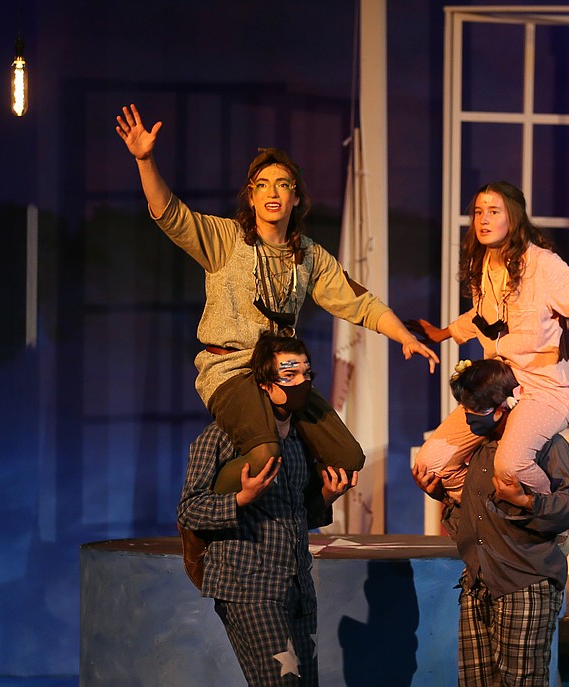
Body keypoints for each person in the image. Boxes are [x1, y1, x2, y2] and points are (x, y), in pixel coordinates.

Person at [115, 104, 438, 492]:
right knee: (265, 453)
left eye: (283, 184)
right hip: (232, 370)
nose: (273, 192)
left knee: (348, 460)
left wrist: (403, 336)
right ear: (251, 197)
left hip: (284, 373)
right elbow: (172, 215)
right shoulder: (226, 239)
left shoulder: (309, 255)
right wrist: (146, 161)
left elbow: (360, 303)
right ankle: (205, 498)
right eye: (263, 185)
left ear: (296, 198)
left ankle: (302, 516)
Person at [411, 181, 569, 500]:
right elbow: (482, 317)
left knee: (511, 465)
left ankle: (546, 519)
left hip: (544, 392)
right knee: (429, 466)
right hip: (499, 390)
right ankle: (490, 515)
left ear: (512, 218)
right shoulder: (482, 265)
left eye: (493, 212)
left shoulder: (542, 264)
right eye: (478, 212)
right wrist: (440, 334)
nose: (483, 220)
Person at [177, 333, 358, 686]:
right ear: (263, 384)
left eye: (306, 374)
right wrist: (240, 498)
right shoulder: (222, 437)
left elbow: (296, 515)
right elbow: (189, 510)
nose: (301, 382)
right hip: (249, 586)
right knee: (281, 683)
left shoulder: (299, 441)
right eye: (289, 376)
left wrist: (327, 496)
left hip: (296, 585)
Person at [412, 358, 569, 686]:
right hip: (479, 583)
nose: (468, 417)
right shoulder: (479, 450)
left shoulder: (545, 446)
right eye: (464, 408)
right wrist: (442, 497)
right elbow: (478, 518)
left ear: (504, 406)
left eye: (475, 409)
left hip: (523, 582)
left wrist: (526, 500)